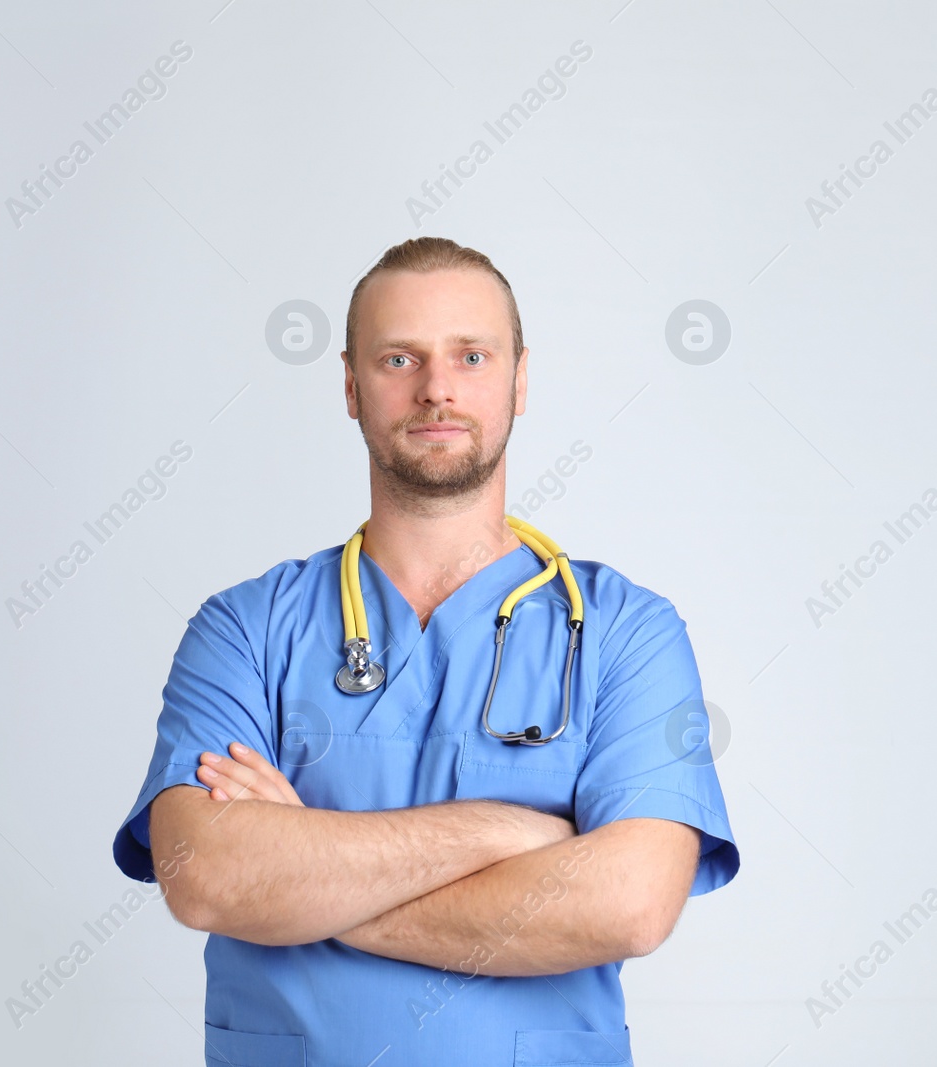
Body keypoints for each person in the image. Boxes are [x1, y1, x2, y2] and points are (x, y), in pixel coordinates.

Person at [112, 236, 740, 1066]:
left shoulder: (626, 631)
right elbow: (205, 874)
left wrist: (309, 877)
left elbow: (628, 903)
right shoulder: (246, 629)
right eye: (399, 357)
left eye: (471, 356)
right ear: (350, 385)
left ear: (519, 379)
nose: (437, 388)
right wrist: (502, 832)